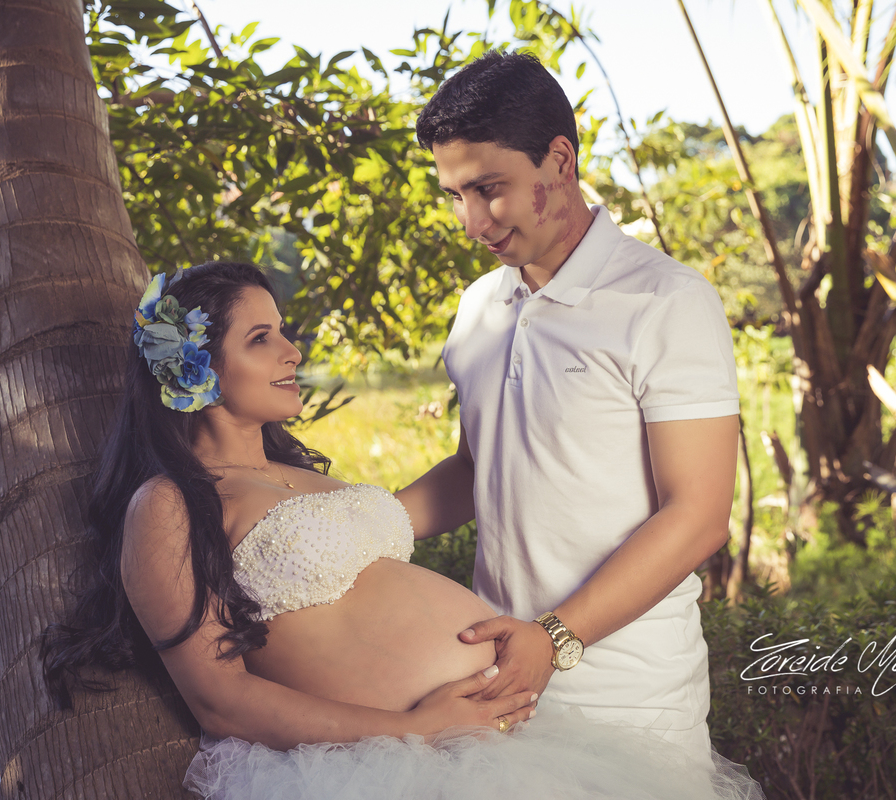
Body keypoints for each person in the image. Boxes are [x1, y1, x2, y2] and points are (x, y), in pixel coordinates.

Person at [41, 261, 764, 799]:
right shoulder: (170, 505)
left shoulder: (304, 479)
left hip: (505, 745)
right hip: (390, 762)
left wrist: (579, 404)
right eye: (262, 339)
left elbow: (463, 482)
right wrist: (417, 730)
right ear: (193, 370)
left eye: (284, 331)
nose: (292, 351)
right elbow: (219, 699)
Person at [400, 50, 742, 767]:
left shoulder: (666, 301)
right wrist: (351, 527)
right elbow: (476, 469)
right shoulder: (479, 307)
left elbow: (699, 514)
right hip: (496, 684)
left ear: (559, 160)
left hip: (632, 702)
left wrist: (553, 638)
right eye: (454, 194)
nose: (470, 222)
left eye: (488, 189)